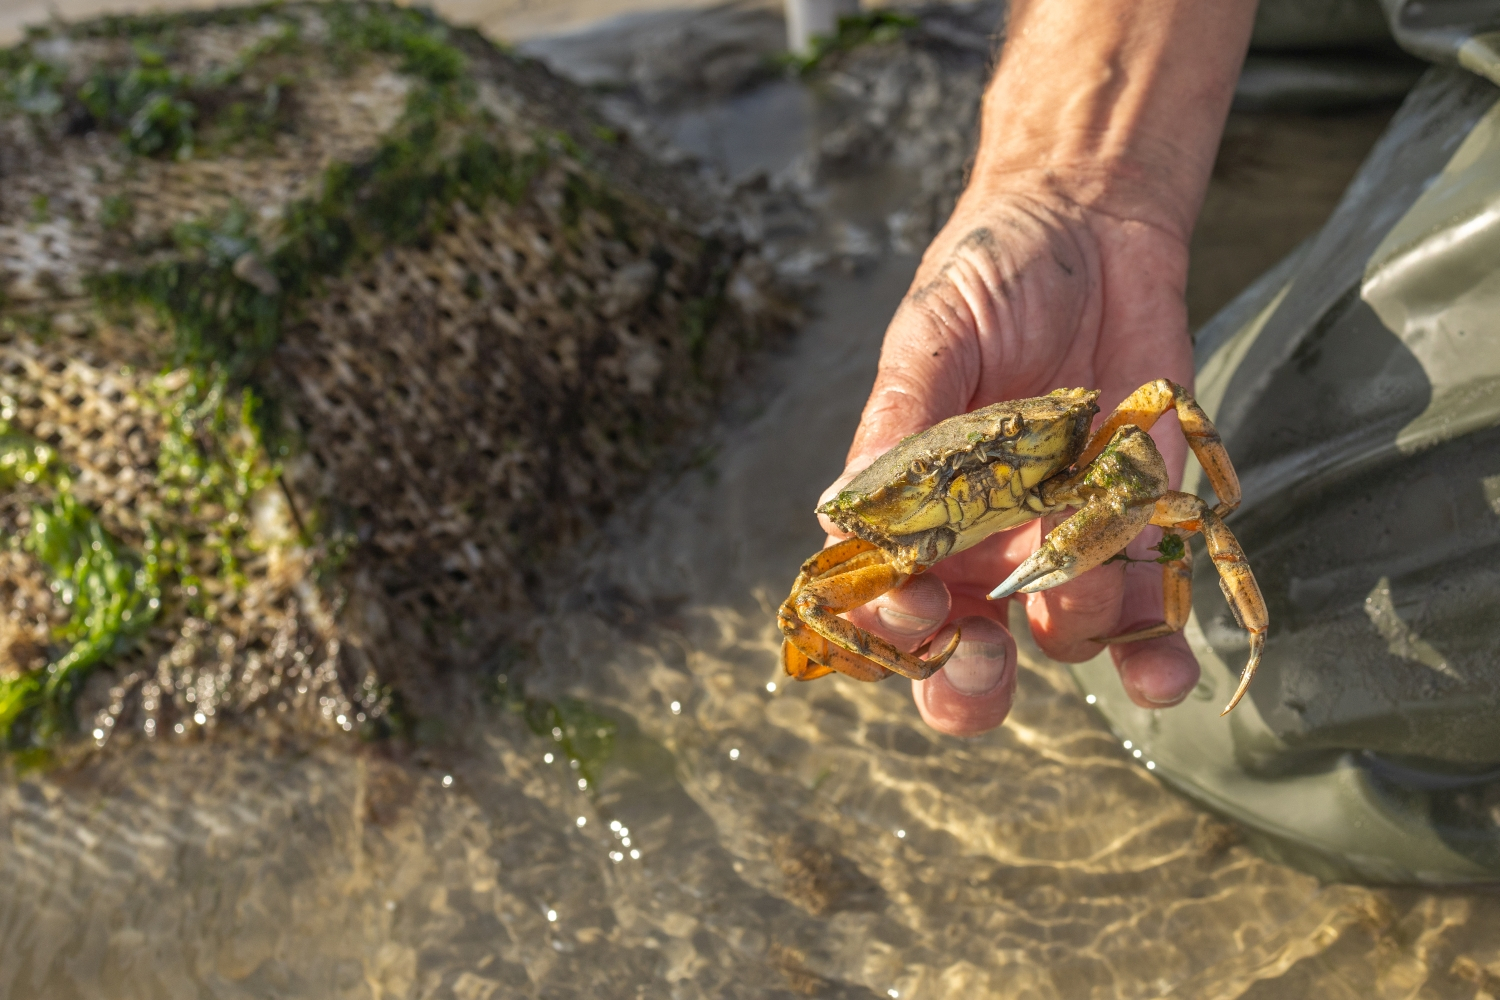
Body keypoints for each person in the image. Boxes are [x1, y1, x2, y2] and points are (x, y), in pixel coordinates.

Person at [818, 0, 1259, 737]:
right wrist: (1053, 185)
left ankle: (1243, 633)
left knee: (1187, 528)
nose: (979, 469)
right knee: (811, 604)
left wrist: (1222, 494)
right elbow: (808, 614)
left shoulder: (1086, 447)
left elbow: (1164, 413)